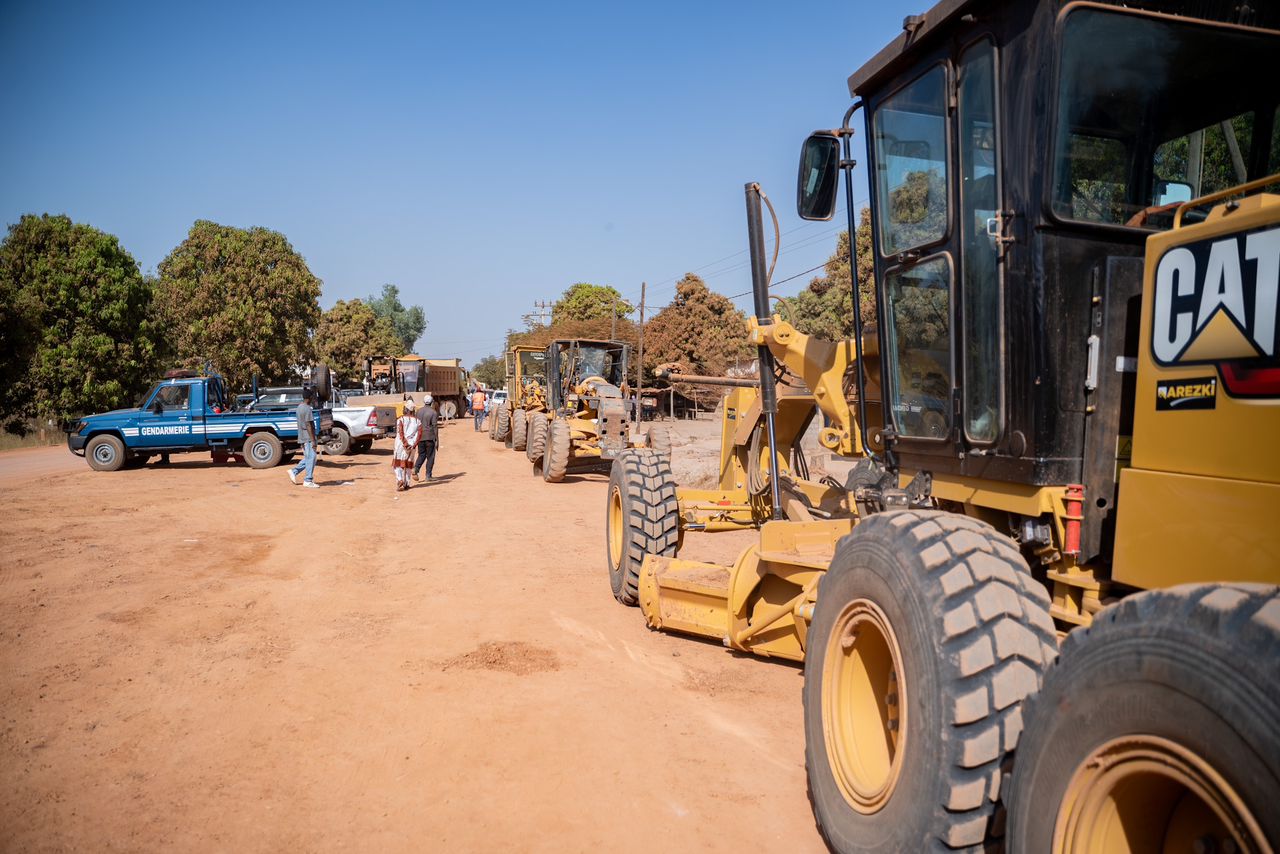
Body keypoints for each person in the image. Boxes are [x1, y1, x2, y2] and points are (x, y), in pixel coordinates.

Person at [288, 387, 320, 489]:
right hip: (308, 438)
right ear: (309, 397)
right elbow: (309, 425)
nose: (313, 399)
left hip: (303, 436)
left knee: (310, 458)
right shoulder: (307, 409)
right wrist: (313, 440)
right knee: (312, 457)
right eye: (312, 397)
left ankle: (294, 471)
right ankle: (308, 480)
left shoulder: (299, 407)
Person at [393, 398, 421, 491]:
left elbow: (400, 432)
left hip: (401, 445)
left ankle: (400, 480)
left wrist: (405, 443)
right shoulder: (418, 421)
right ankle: (407, 483)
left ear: (406, 409)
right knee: (409, 464)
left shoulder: (400, 419)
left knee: (397, 463)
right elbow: (419, 434)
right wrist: (413, 444)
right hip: (412, 446)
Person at [414, 393, 439, 482]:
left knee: (421, 454)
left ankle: (416, 469)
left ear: (424, 402)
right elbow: (435, 427)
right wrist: (437, 440)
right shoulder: (433, 412)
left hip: (420, 437)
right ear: (432, 402)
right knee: (430, 457)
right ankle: (428, 476)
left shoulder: (418, 411)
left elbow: (416, 425)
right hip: (430, 437)